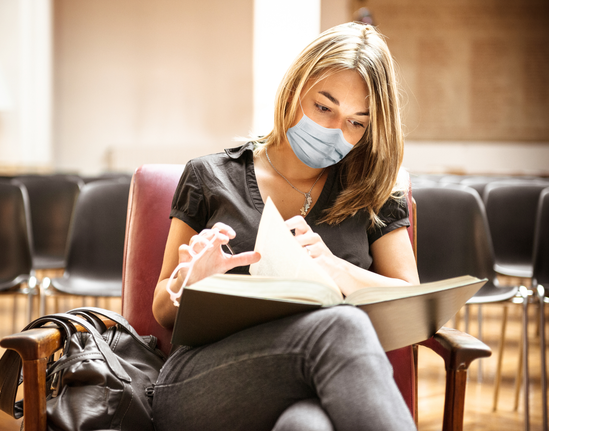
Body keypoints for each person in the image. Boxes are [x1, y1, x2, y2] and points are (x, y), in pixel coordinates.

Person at [151, 22, 419, 431]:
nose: (334, 130)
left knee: (306, 426)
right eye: (323, 107)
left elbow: (409, 304)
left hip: (319, 384)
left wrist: (337, 270)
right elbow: (161, 310)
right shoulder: (208, 175)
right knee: (340, 327)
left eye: (356, 123)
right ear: (294, 88)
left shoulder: (375, 192)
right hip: (203, 382)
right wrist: (189, 284)